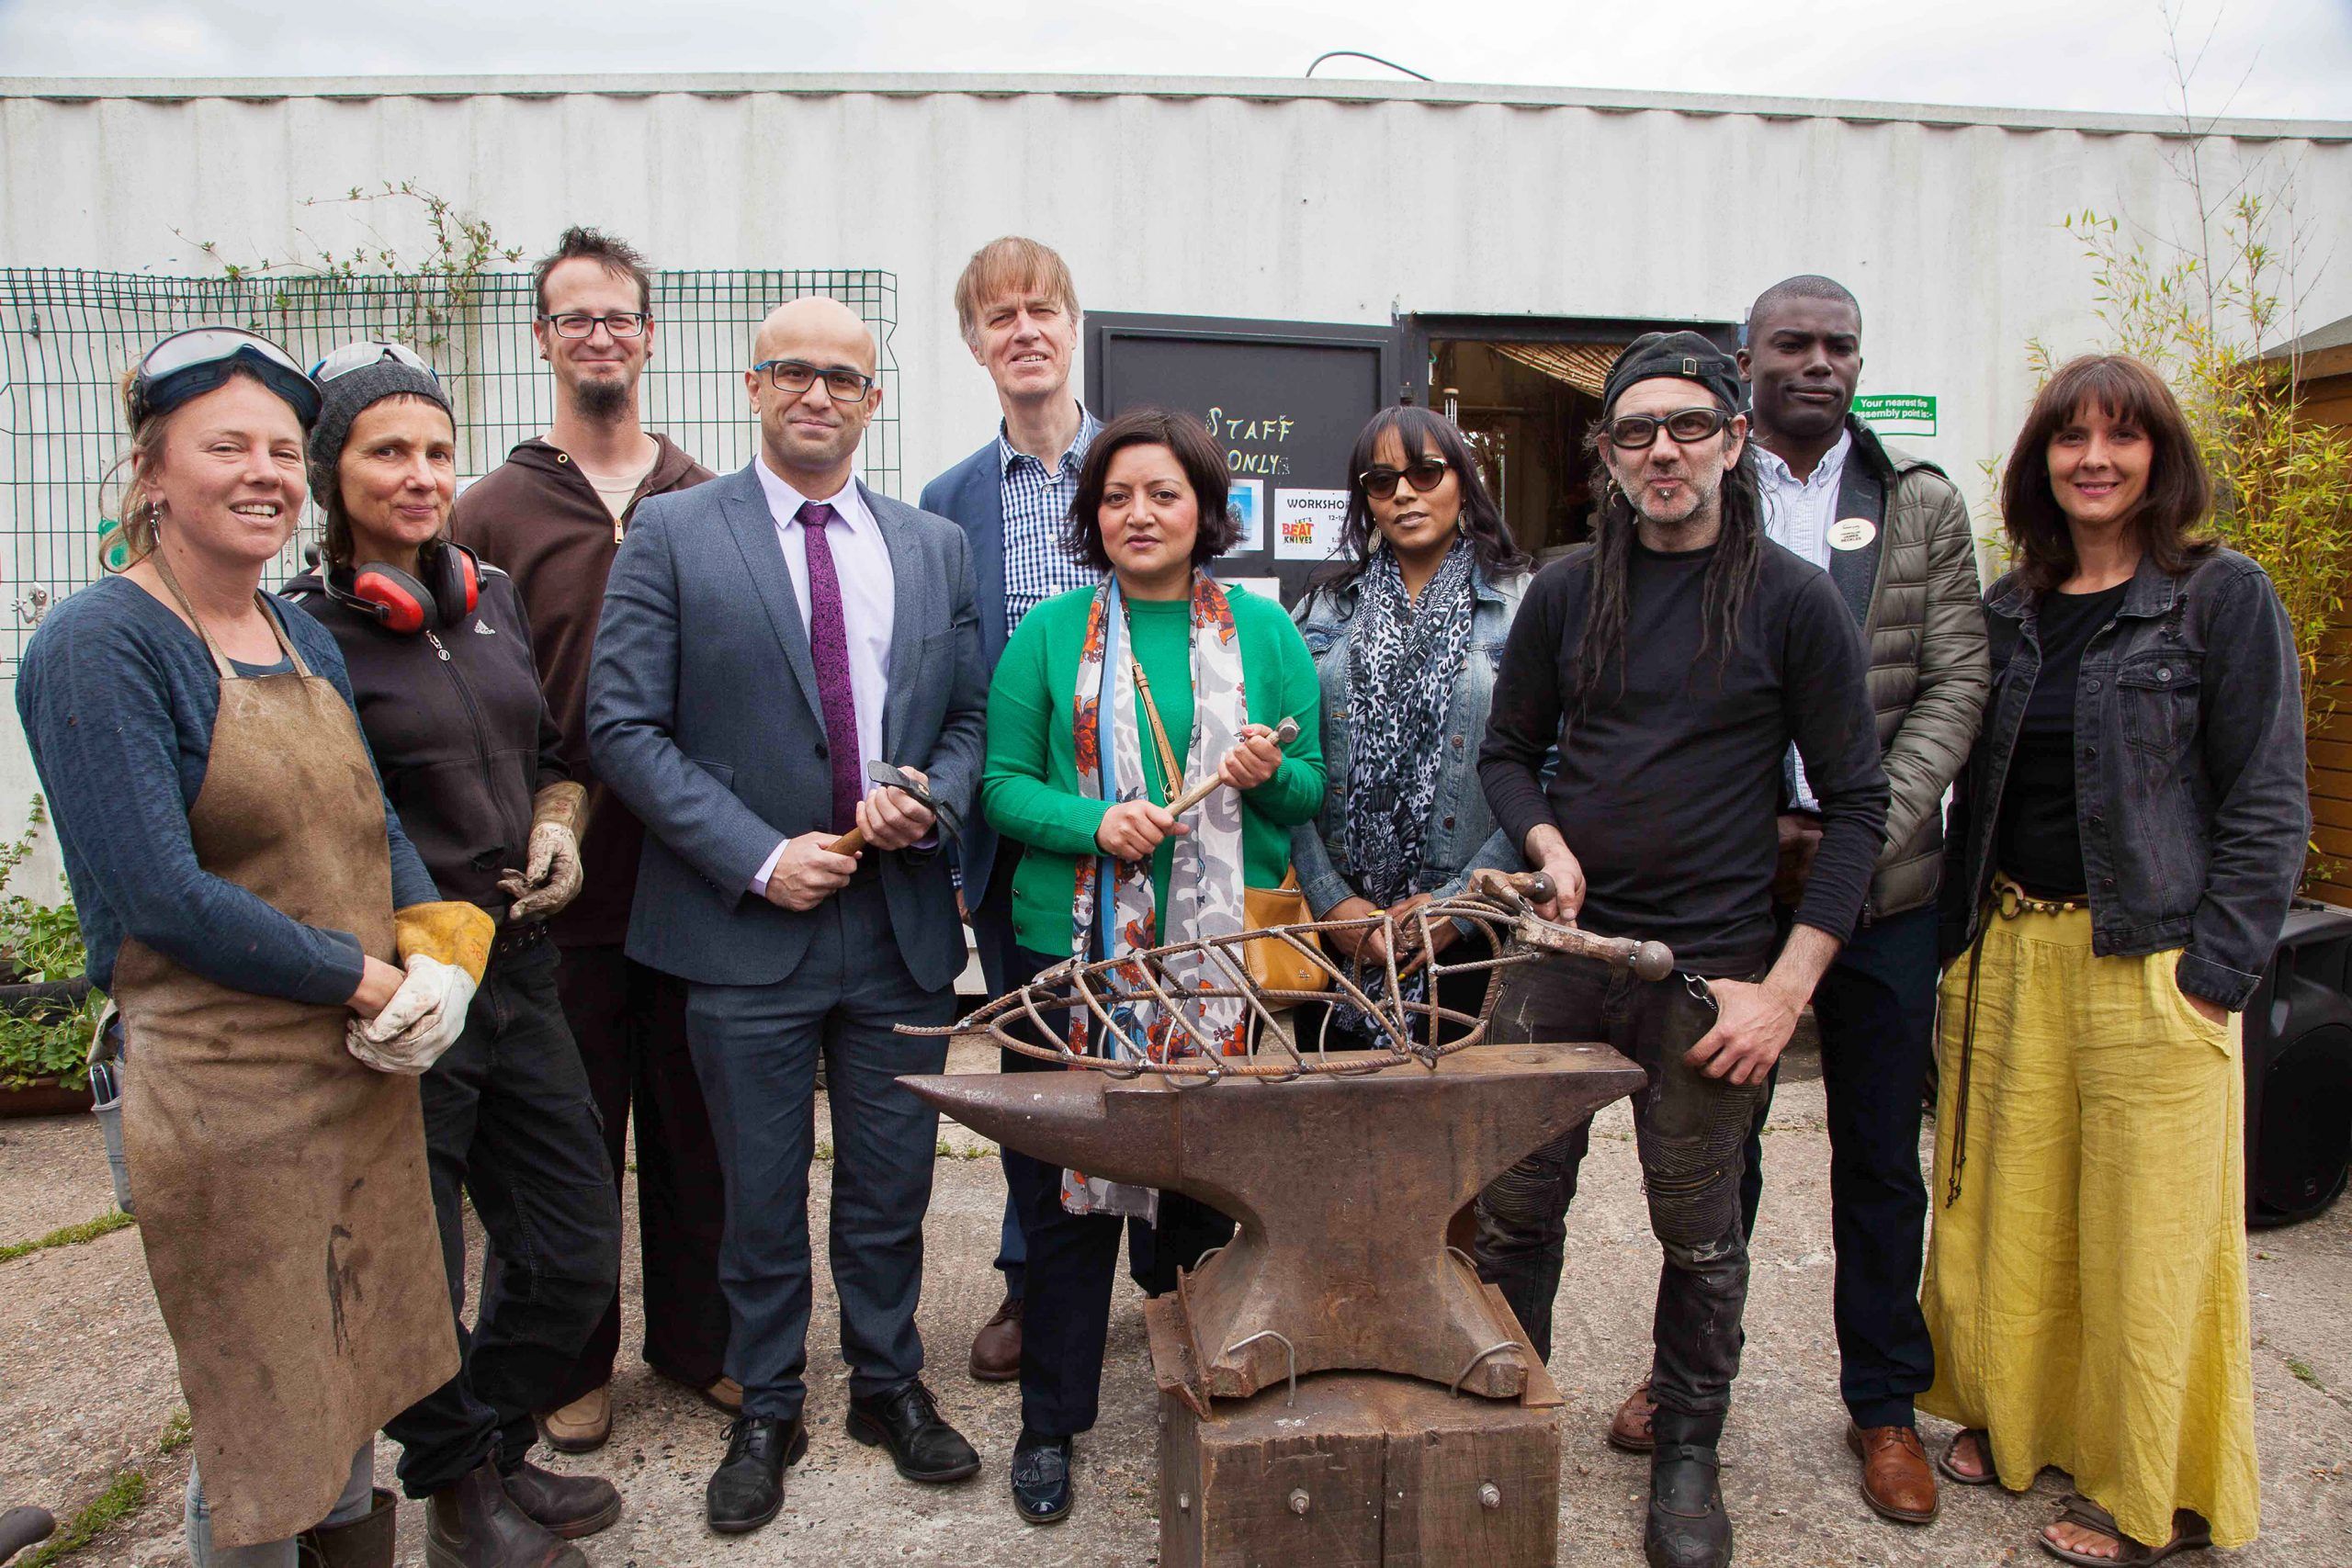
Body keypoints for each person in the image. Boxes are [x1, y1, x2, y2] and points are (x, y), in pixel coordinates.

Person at [16, 329, 492, 1567]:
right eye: (226, 444)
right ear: (151, 471)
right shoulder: (101, 642)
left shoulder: (298, 632)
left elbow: (369, 816)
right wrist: (370, 976)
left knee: (353, 1397)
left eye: (284, 447)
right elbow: (158, 894)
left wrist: (436, 945)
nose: (264, 471)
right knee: (264, 1425)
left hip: (351, 1076)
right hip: (217, 1087)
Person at [1476, 333, 1887, 1568]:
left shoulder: (1791, 599)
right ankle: (1508, 1422)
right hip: (1562, 947)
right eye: (1637, 430)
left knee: (1701, 1230)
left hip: (1711, 966)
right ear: (1606, 452)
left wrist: (1787, 987)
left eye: (1688, 426)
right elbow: (1506, 749)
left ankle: (1689, 1448)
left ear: (1734, 438)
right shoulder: (1563, 588)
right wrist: (1545, 840)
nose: (1664, 450)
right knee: (1509, 1209)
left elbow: (1859, 801)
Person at [587, 296, 990, 1536]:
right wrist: (758, 856)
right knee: (754, 1186)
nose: (819, 394)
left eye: (846, 377)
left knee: (889, 1181)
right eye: (795, 372)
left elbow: (968, 719)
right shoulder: (670, 533)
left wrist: (931, 797)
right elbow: (622, 725)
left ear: (876, 399)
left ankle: (887, 1382)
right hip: (743, 926)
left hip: (899, 926)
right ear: (753, 384)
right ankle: (766, 1401)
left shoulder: (931, 545)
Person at [1591, 276, 1984, 1526]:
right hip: (1731, 885)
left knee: (1878, 1152)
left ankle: (1882, 1403)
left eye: (1841, 345)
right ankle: (1690, 1378)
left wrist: (1855, 831)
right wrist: (1760, 824)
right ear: (1742, 372)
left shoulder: (1917, 503)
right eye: (1792, 345)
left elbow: (1956, 682)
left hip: (1885, 882)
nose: (1820, 363)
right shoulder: (1704, 491)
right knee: (1720, 1152)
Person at [1923, 355, 2305, 1566]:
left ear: (2160, 458)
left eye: (2121, 437)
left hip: (2154, 955)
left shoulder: (2221, 597)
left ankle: (2161, 1493)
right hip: (2014, 951)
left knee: (2152, 1239)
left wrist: (2219, 970)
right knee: (2015, 1217)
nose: (2095, 458)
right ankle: (2026, 1423)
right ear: (2041, 461)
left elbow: (2268, 797)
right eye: (2070, 438)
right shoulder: (2009, 607)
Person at [284, 342, 628, 1566]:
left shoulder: (484, 602)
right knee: (421, 1270)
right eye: (388, 451)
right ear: (333, 476)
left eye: (436, 449)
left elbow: (549, 755)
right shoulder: (303, 636)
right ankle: (458, 1486)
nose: (422, 474)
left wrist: (558, 819)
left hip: (519, 970)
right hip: (405, 997)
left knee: (576, 1242)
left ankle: (479, 1444)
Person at [980, 407, 1324, 1526]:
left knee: (1203, 1181)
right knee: (1065, 1191)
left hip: (1221, 959)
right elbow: (998, 787)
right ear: (1092, 516)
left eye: (1164, 494)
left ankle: (1202, 1386)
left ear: (1205, 512)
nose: (1139, 513)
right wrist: (1095, 824)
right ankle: (1050, 1426)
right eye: (1118, 495)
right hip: (1073, 956)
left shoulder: (1265, 633)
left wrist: (1266, 774)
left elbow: (1310, 789)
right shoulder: (1049, 633)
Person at [451, 227, 732, 1453]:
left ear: (651, 332)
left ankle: (702, 1341)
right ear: (544, 339)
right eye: (576, 319)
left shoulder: (705, 494)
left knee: (695, 1119)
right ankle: (574, 1356)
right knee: (567, 1132)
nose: (600, 336)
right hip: (551, 877)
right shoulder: (489, 507)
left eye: (619, 315)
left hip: (692, 866)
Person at [918, 236, 1103, 1383]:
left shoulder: (1140, 467)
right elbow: (946, 684)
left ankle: (1178, 1270)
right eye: (999, 316)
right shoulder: (945, 504)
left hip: (1155, 832)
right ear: (975, 345)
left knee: (1168, 1053)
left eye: (1042, 308)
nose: (1023, 329)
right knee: (1036, 1069)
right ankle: (1036, 1280)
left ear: (1073, 325)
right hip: (1015, 837)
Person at [1291, 405, 1532, 1046]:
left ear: (1463, 481)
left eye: (1426, 471)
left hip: (1471, 934)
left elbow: (1551, 768)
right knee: (1331, 1128)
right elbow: (1287, 766)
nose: (1403, 492)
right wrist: (1329, 899)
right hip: (1341, 938)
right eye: (1381, 480)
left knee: (1461, 1135)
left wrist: (1461, 901)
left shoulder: (1524, 604)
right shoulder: (1321, 606)